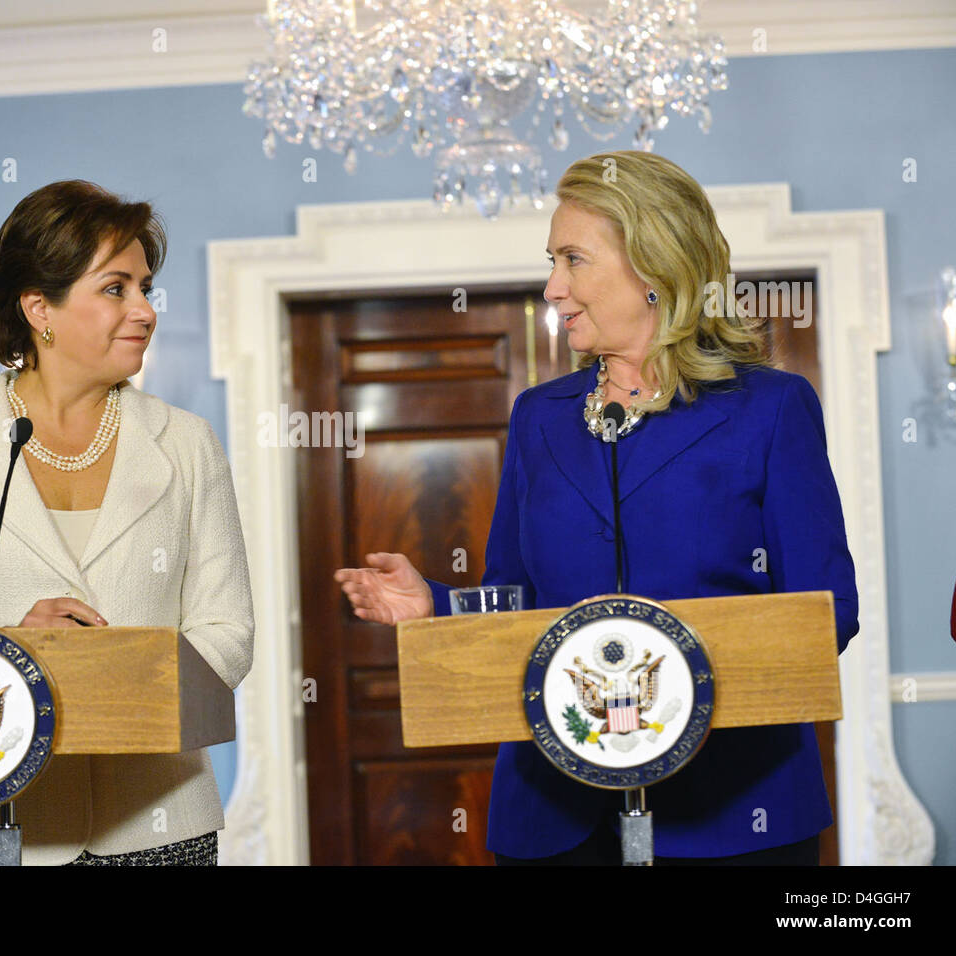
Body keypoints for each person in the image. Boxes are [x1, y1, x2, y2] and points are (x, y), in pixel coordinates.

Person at [335, 151, 858, 865]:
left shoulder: (769, 410)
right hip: (556, 815)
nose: (553, 287)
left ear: (654, 264)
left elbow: (828, 610)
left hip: (735, 812)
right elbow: (515, 598)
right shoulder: (538, 418)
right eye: (553, 261)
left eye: (574, 260)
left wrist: (668, 700)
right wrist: (434, 607)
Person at [0, 180, 254, 865]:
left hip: (157, 823)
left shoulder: (187, 442)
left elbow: (228, 633)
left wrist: (118, 676)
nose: (144, 310)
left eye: (146, 287)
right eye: (117, 288)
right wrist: (13, 652)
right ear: (38, 308)